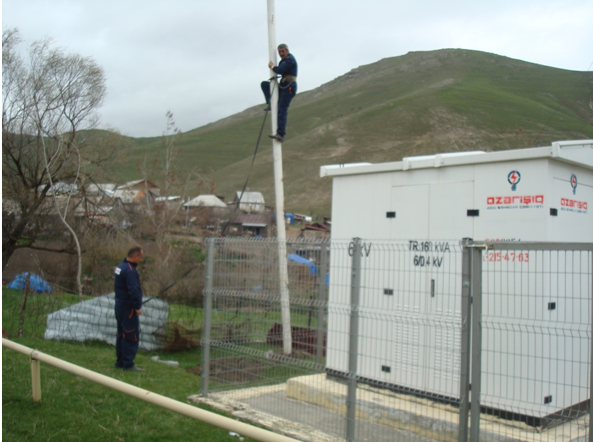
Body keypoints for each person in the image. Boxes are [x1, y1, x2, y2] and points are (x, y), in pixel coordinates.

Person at [114, 246, 145, 372]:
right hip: (129, 308)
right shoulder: (131, 271)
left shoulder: (120, 267)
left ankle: (120, 361)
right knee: (130, 334)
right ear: (135, 256)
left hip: (120, 306)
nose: (141, 260)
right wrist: (137, 306)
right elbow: (133, 290)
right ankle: (128, 363)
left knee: (121, 334)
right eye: (141, 257)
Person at [261, 43, 298, 143]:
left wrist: (272, 67)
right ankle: (270, 103)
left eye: (282, 51)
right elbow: (281, 70)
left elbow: (281, 70)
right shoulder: (284, 61)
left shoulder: (290, 59)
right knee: (265, 85)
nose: (281, 53)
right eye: (279, 52)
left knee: (282, 108)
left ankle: (280, 134)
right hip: (283, 85)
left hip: (289, 86)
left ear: (287, 51)